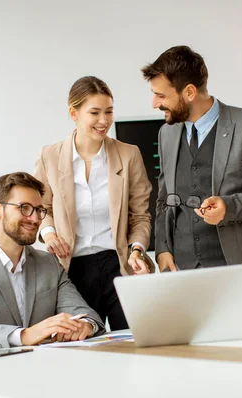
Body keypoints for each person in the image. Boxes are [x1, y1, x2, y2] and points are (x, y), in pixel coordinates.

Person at [141, 45, 242, 272]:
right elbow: (164, 198)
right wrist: (163, 248)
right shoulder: (166, 133)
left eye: (161, 95)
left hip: (240, 263)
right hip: (182, 267)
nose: (155, 103)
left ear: (189, 92)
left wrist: (229, 207)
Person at [0, 172, 105, 350]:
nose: (34, 219)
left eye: (39, 210)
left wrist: (85, 325)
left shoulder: (49, 264)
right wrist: (24, 335)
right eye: (24, 207)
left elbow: (85, 314)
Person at [34, 76, 152, 330]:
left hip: (118, 265)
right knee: (80, 345)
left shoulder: (129, 154)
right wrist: (50, 233)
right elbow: (41, 207)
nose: (104, 121)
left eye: (109, 112)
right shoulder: (50, 156)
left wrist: (137, 250)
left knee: (133, 342)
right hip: (71, 269)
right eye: (95, 112)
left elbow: (140, 216)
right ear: (73, 113)